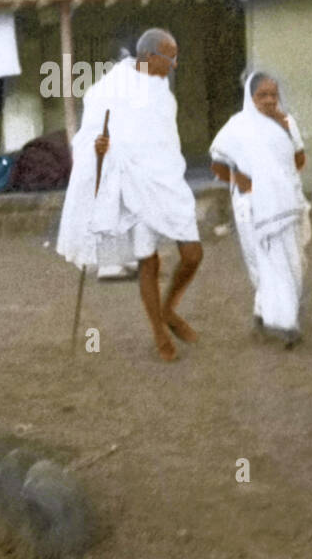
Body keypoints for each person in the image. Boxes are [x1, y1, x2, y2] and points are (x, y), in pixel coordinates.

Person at [56, 28, 203, 362]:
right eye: (170, 58)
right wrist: (98, 148)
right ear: (150, 57)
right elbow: (87, 137)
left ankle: (168, 309)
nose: (175, 65)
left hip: (166, 180)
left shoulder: (163, 90)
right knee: (148, 260)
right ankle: (158, 331)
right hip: (132, 182)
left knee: (193, 254)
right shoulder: (108, 90)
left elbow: (166, 138)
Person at [209, 71, 310, 348]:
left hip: (286, 204)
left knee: (293, 263)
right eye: (261, 95)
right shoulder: (237, 127)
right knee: (266, 265)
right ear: (249, 97)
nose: (268, 100)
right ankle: (286, 325)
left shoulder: (287, 123)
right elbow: (217, 163)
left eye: (273, 95)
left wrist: (285, 130)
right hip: (252, 208)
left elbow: (299, 161)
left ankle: (263, 315)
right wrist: (244, 182)